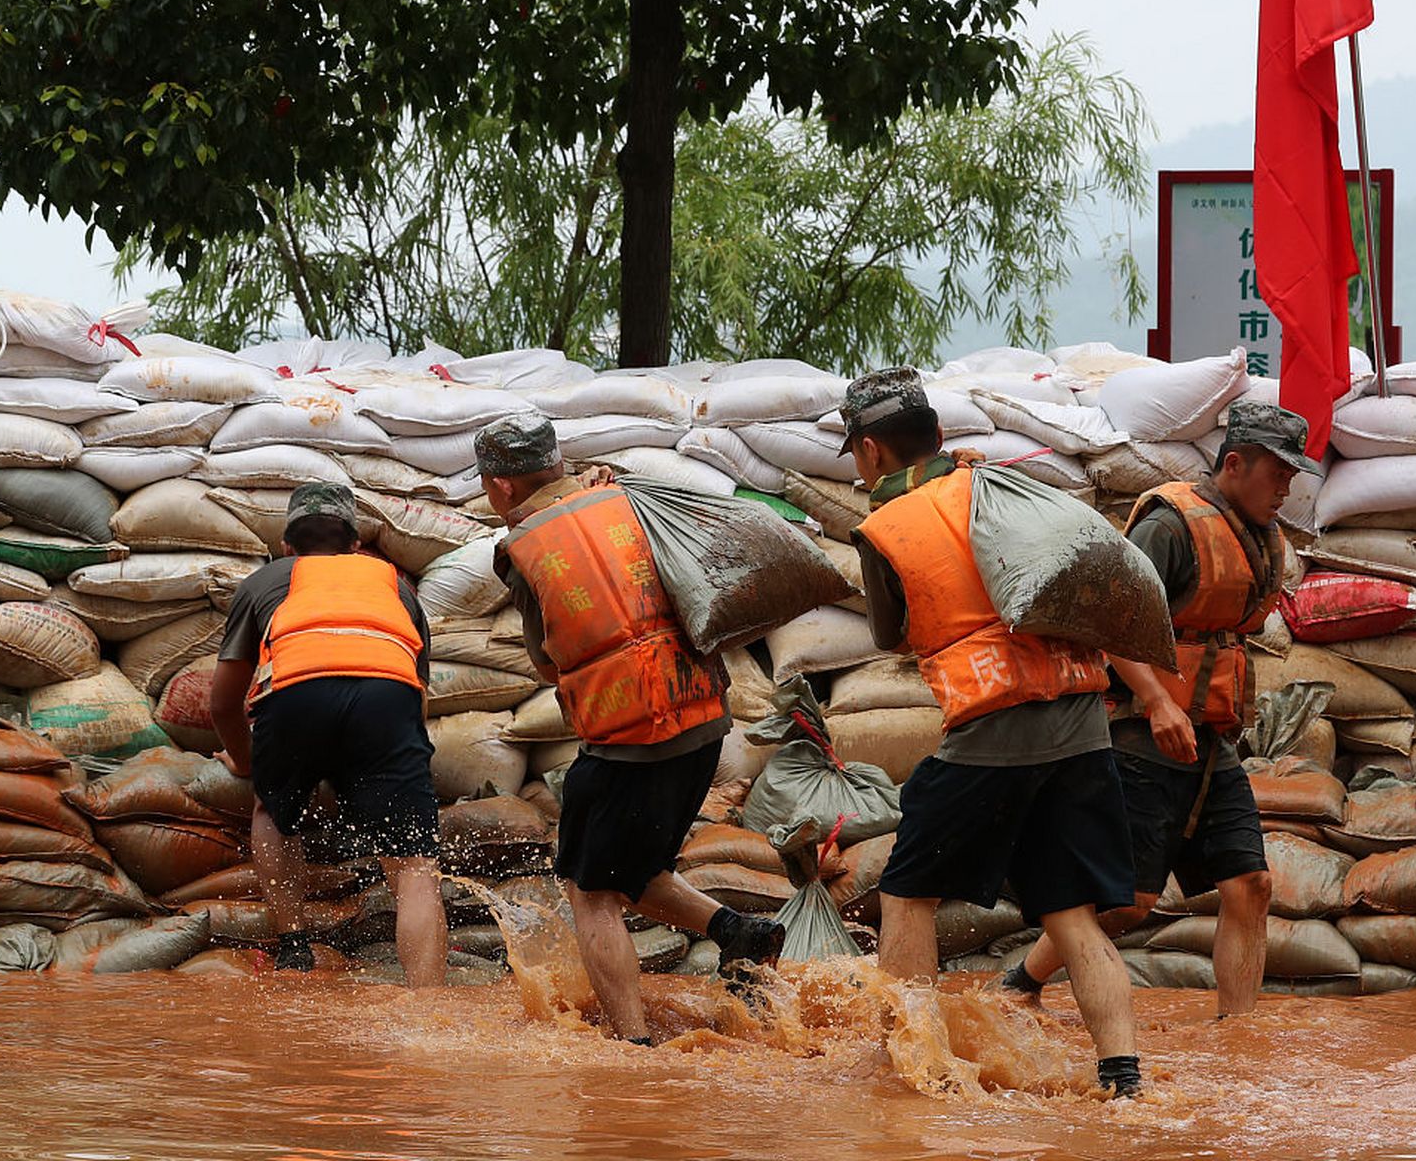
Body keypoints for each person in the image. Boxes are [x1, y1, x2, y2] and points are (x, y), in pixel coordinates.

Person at [842, 367, 1144, 1099]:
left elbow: (890, 636)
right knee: (1070, 912)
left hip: (989, 728)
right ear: (941, 439)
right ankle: (1124, 1080)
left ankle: (912, 1068)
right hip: (1079, 719)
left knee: (907, 895)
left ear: (874, 453)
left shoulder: (884, 528)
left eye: (855, 449)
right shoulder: (1012, 487)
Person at [476, 412, 785, 1045]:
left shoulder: (526, 544)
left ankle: (633, 1044)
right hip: (703, 719)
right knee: (632, 869)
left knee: (590, 891)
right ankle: (737, 932)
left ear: (502, 486)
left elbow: (544, 657)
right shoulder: (628, 496)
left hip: (629, 737)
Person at [1015, 401, 1316, 1018]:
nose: (1287, 488)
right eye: (1277, 473)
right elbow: (1111, 627)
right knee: (1129, 904)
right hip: (1142, 733)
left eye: (1293, 476)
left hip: (1211, 736)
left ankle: (1238, 1035)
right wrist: (1157, 704)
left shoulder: (1261, 534)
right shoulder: (1171, 526)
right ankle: (1020, 981)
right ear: (1235, 463)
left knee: (1250, 886)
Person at [210, 483, 448, 981]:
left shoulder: (265, 580)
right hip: (388, 700)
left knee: (272, 809)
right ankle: (429, 1005)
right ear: (357, 545)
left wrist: (248, 763)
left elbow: (223, 701)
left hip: (297, 695)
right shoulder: (395, 584)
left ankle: (294, 943)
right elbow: (416, 692)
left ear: (287, 546)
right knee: (413, 862)